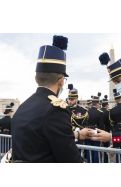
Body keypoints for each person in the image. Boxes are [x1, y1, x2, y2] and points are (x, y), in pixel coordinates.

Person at [11, 35, 90, 163]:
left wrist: (77, 134)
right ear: (61, 81)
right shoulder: (55, 110)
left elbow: (40, 137)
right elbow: (71, 159)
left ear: (36, 78)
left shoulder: (23, 106)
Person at [85, 93, 104, 163]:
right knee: (96, 149)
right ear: (97, 103)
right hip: (95, 132)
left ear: (92, 103)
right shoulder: (99, 113)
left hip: (87, 131)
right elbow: (101, 126)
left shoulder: (87, 112)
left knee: (88, 149)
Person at [100, 95, 111, 162]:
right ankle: (105, 161)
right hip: (106, 131)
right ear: (106, 105)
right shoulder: (108, 112)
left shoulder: (99, 111)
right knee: (106, 147)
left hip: (99, 131)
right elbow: (109, 123)